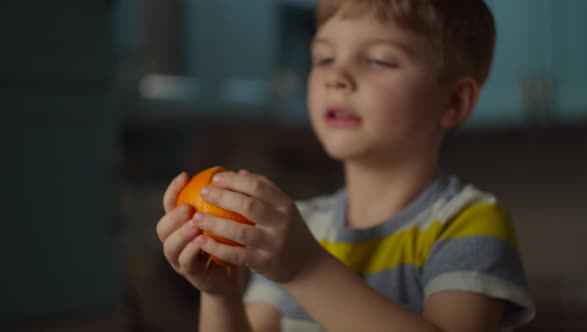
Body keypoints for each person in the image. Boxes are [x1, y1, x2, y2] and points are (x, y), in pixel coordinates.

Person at [156, 0, 535, 331]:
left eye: (379, 60)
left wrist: (305, 269)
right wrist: (220, 295)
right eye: (324, 58)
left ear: (453, 101)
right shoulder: (299, 226)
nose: (336, 76)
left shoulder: (470, 225)